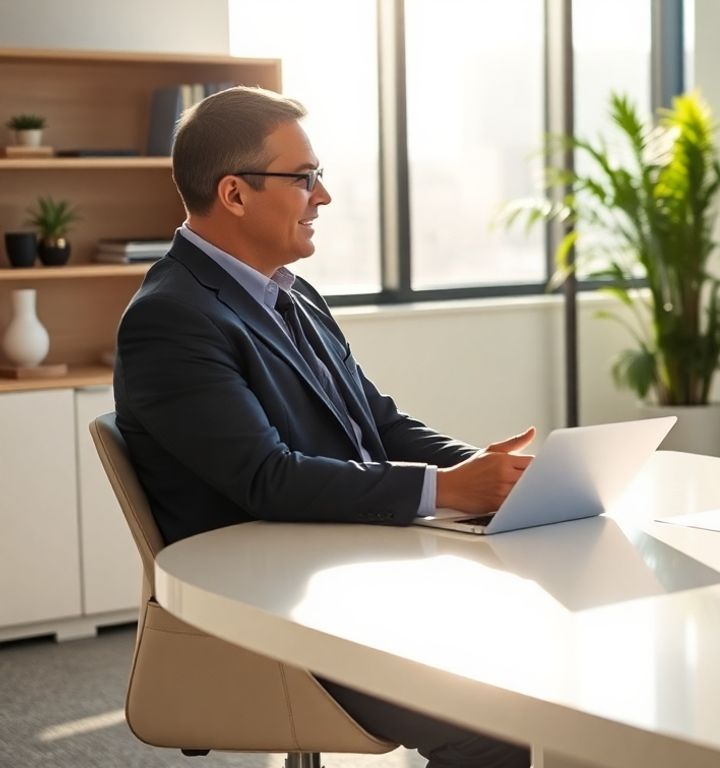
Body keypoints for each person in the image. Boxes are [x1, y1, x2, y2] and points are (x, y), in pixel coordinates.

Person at [114, 86, 532, 767]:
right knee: (507, 725)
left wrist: (495, 475)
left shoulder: (291, 291)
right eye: (305, 179)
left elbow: (379, 423)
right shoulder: (172, 318)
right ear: (234, 194)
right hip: (281, 613)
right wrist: (452, 490)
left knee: (556, 669)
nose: (324, 197)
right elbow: (267, 478)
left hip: (354, 574)